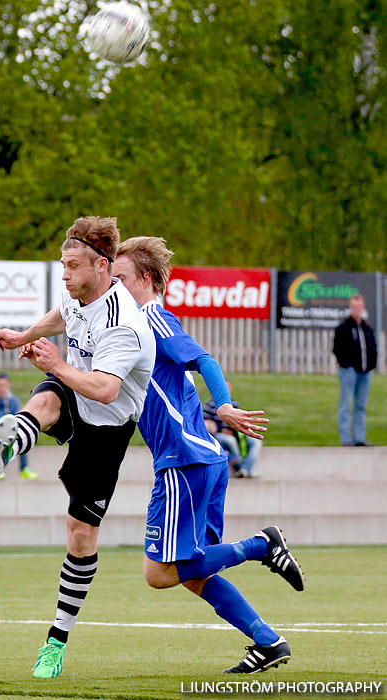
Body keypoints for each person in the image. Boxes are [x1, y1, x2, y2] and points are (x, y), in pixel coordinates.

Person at [112, 236, 304, 674]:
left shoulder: (150, 318)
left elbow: (204, 359)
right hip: (198, 460)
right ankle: (268, 641)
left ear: (146, 280)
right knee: (196, 572)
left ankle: (262, 545)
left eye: (120, 278)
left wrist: (224, 404)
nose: (114, 287)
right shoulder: (131, 327)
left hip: (185, 462)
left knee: (160, 573)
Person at [0, 216, 155, 679]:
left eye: (73, 266)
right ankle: (13, 437)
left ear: (102, 267)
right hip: (70, 393)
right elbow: (62, 314)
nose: (64, 274)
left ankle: (56, 641)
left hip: (107, 427)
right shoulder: (78, 291)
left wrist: (57, 362)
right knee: (44, 400)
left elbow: (102, 389)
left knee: (80, 538)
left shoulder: (127, 325)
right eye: (62, 264)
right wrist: (26, 337)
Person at [333, 294, 377, 446]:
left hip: (365, 372)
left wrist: (371, 365)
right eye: (354, 306)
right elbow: (337, 348)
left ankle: (359, 437)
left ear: (362, 307)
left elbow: (372, 348)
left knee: (361, 406)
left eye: (359, 306)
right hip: (349, 371)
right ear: (351, 307)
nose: (357, 309)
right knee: (345, 405)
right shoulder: (344, 327)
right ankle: (346, 438)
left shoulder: (367, 328)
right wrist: (345, 363)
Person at [203, 378, 262, 478]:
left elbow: (239, 421)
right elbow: (207, 425)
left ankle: (245, 468)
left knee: (255, 442)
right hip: (219, 435)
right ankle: (239, 468)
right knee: (230, 440)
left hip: (235, 434)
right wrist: (220, 429)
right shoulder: (209, 405)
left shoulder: (234, 405)